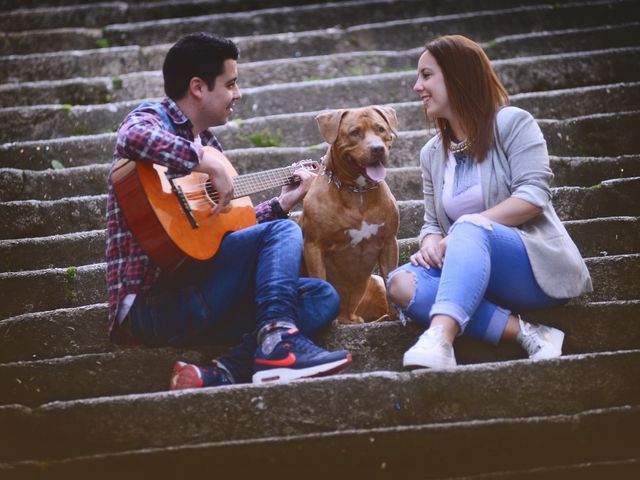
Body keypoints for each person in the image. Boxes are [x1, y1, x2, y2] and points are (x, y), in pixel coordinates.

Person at [106, 32, 351, 389]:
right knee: (285, 233)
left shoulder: (207, 143)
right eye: (231, 84)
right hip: (151, 308)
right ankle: (277, 340)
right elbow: (130, 137)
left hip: (201, 290)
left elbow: (226, 234)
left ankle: (224, 370)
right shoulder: (154, 118)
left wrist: (284, 202)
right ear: (198, 87)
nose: (238, 94)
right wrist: (208, 162)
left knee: (322, 296)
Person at [386, 35, 593, 369]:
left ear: (458, 76)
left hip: (530, 267)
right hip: (468, 271)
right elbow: (430, 223)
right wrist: (432, 243)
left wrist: (461, 231)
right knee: (401, 283)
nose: (416, 87)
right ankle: (528, 332)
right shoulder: (431, 154)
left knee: (470, 224)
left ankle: (439, 337)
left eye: (426, 75)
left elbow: (532, 197)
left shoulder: (512, 123)